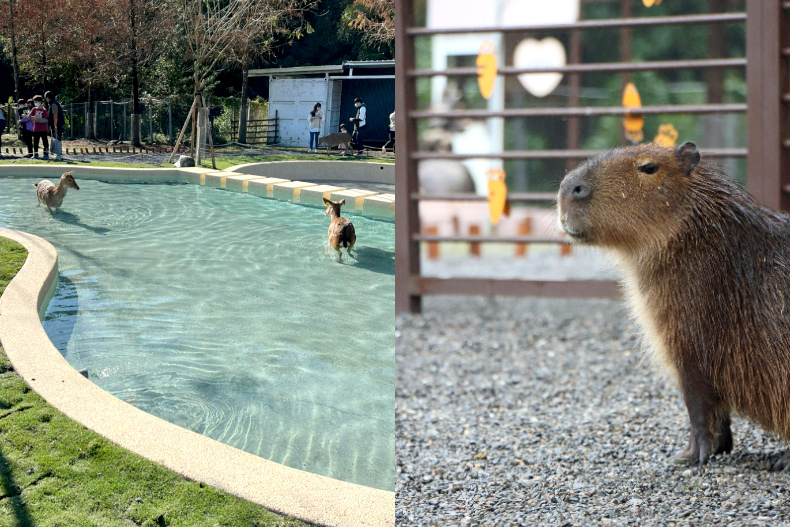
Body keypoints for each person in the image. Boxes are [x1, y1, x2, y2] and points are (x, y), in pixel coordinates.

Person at [28, 95, 49, 160]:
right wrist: (29, 116)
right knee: (35, 142)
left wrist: (37, 119)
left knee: (45, 142)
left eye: (36, 102)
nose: (35, 103)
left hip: (43, 129)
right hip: (36, 128)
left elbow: (45, 120)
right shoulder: (34, 109)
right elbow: (29, 116)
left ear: (40, 102)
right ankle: (36, 154)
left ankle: (46, 154)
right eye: (34, 102)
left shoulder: (44, 110)